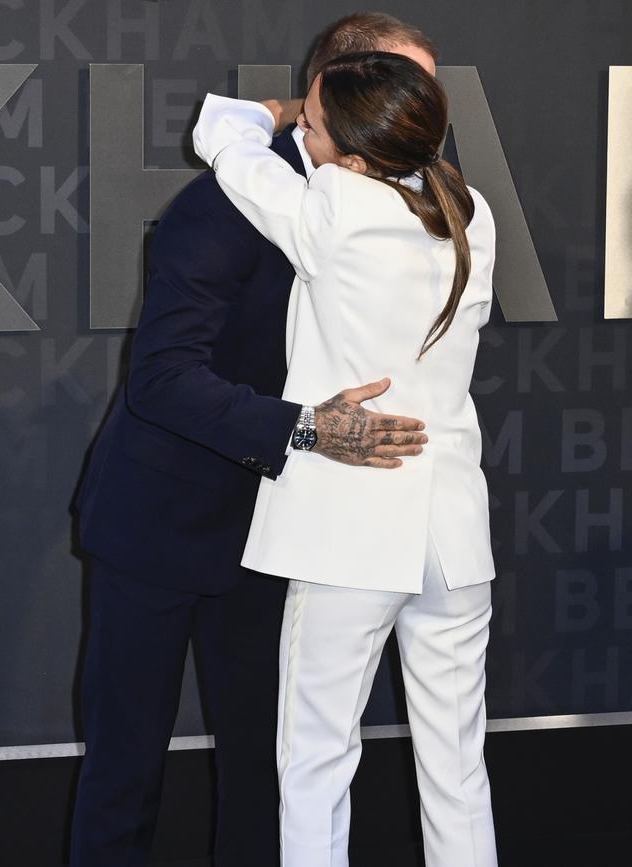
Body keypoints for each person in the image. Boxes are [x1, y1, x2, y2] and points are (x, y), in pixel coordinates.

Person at [69, 13, 436, 867]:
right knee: (124, 775)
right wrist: (308, 428)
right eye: (400, 86)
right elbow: (162, 380)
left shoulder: (409, 193)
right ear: (332, 94)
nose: (420, 113)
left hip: (280, 537)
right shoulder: (226, 201)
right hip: (160, 525)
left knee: (268, 782)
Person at [193, 51, 498, 867]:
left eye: (317, 125)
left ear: (355, 158)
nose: (307, 129)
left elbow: (222, 138)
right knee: (458, 767)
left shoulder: (335, 203)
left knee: (317, 763)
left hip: (351, 537)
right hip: (453, 534)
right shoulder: (473, 208)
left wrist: (271, 113)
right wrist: (317, 121)